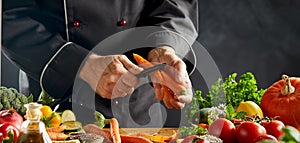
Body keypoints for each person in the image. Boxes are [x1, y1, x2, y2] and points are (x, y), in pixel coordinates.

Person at [2, 0, 199, 127]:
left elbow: (176, 5)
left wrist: (164, 47)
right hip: (54, 102)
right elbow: (8, 15)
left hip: (136, 104)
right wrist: (82, 66)